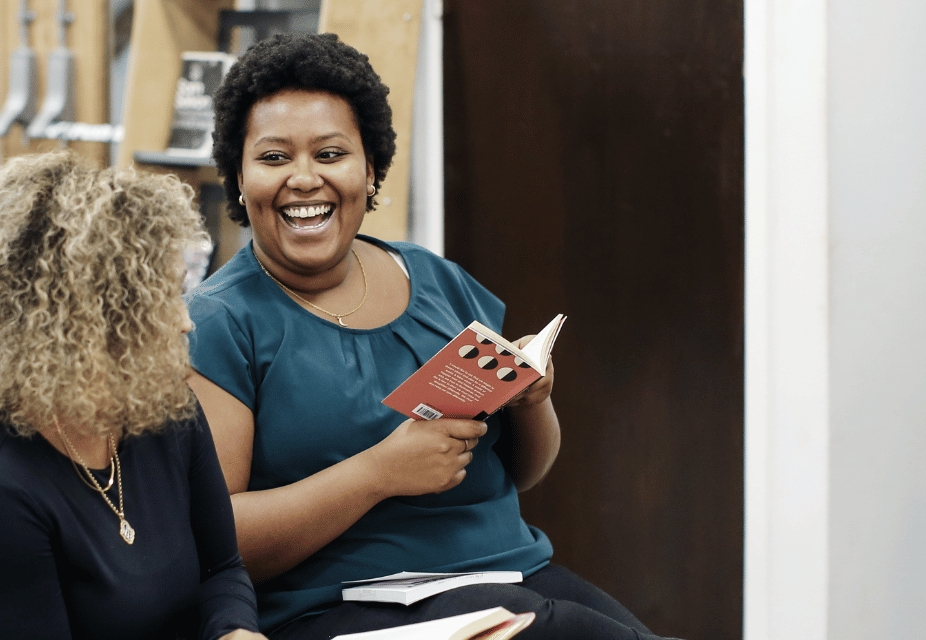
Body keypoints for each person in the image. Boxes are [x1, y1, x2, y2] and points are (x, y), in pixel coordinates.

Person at [184, 33, 671, 639]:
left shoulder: (436, 279)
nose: (304, 179)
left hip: (513, 573)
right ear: (237, 175)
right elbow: (213, 541)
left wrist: (533, 402)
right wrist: (377, 473)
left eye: (331, 154)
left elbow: (518, 473)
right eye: (275, 157)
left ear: (369, 169)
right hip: (338, 607)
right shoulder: (218, 321)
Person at [0, 151, 267, 640]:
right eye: (158, 301)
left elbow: (221, 570)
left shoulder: (166, 411)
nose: (185, 319)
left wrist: (234, 631)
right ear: (79, 326)